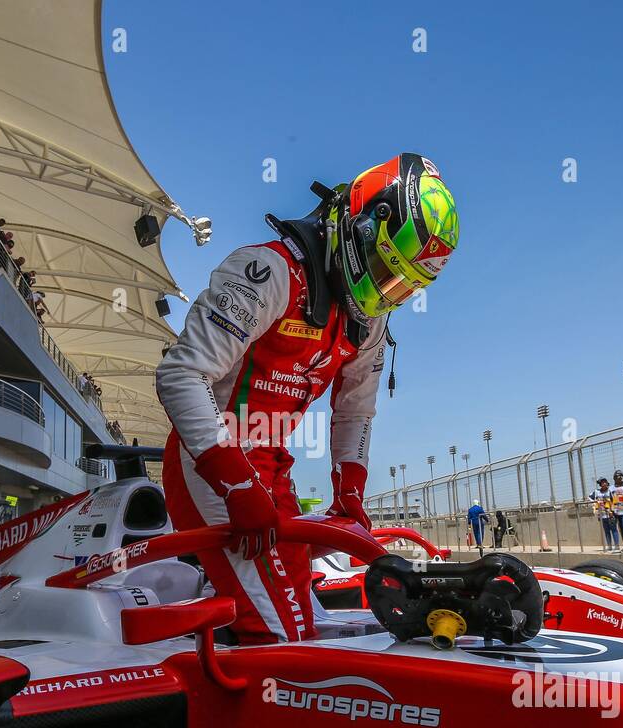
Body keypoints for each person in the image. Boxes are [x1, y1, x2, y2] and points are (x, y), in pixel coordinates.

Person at [156, 154, 459, 644]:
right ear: (362, 227)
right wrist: (235, 484)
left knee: (300, 615)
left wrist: (351, 494)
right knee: (283, 633)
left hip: (273, 470)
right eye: (386, 269)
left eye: (402, 285)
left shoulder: (370, 317)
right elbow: (181, 374)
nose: (387, 291)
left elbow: (355, 410)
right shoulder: (267, 272)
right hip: (209, 468)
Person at [590, 477, 618, 552]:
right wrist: (595, 503)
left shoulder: (610, 491)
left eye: (605, 482)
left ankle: (617, 546)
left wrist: (613, 511)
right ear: (600, 484)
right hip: (602, 514)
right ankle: (609, 546)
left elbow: (614, 501)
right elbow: (590, 497)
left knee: (614, 530)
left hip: (610, 514)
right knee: (606, 531)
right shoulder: (597, 492)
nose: (604, 483)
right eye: (602, 482)